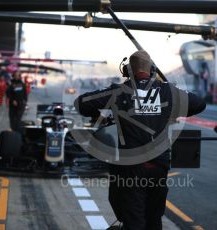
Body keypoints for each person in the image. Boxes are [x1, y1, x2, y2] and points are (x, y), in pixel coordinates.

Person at [75, 50, 206, 230]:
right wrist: (172, 113)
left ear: (128, 71)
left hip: (132, 167)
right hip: (159, 166)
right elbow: (199, 103)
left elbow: (81, 103)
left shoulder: (120, 91)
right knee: (154, 219)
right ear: (152, 70)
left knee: (133, 220)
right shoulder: (167, 90)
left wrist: (100, 116)